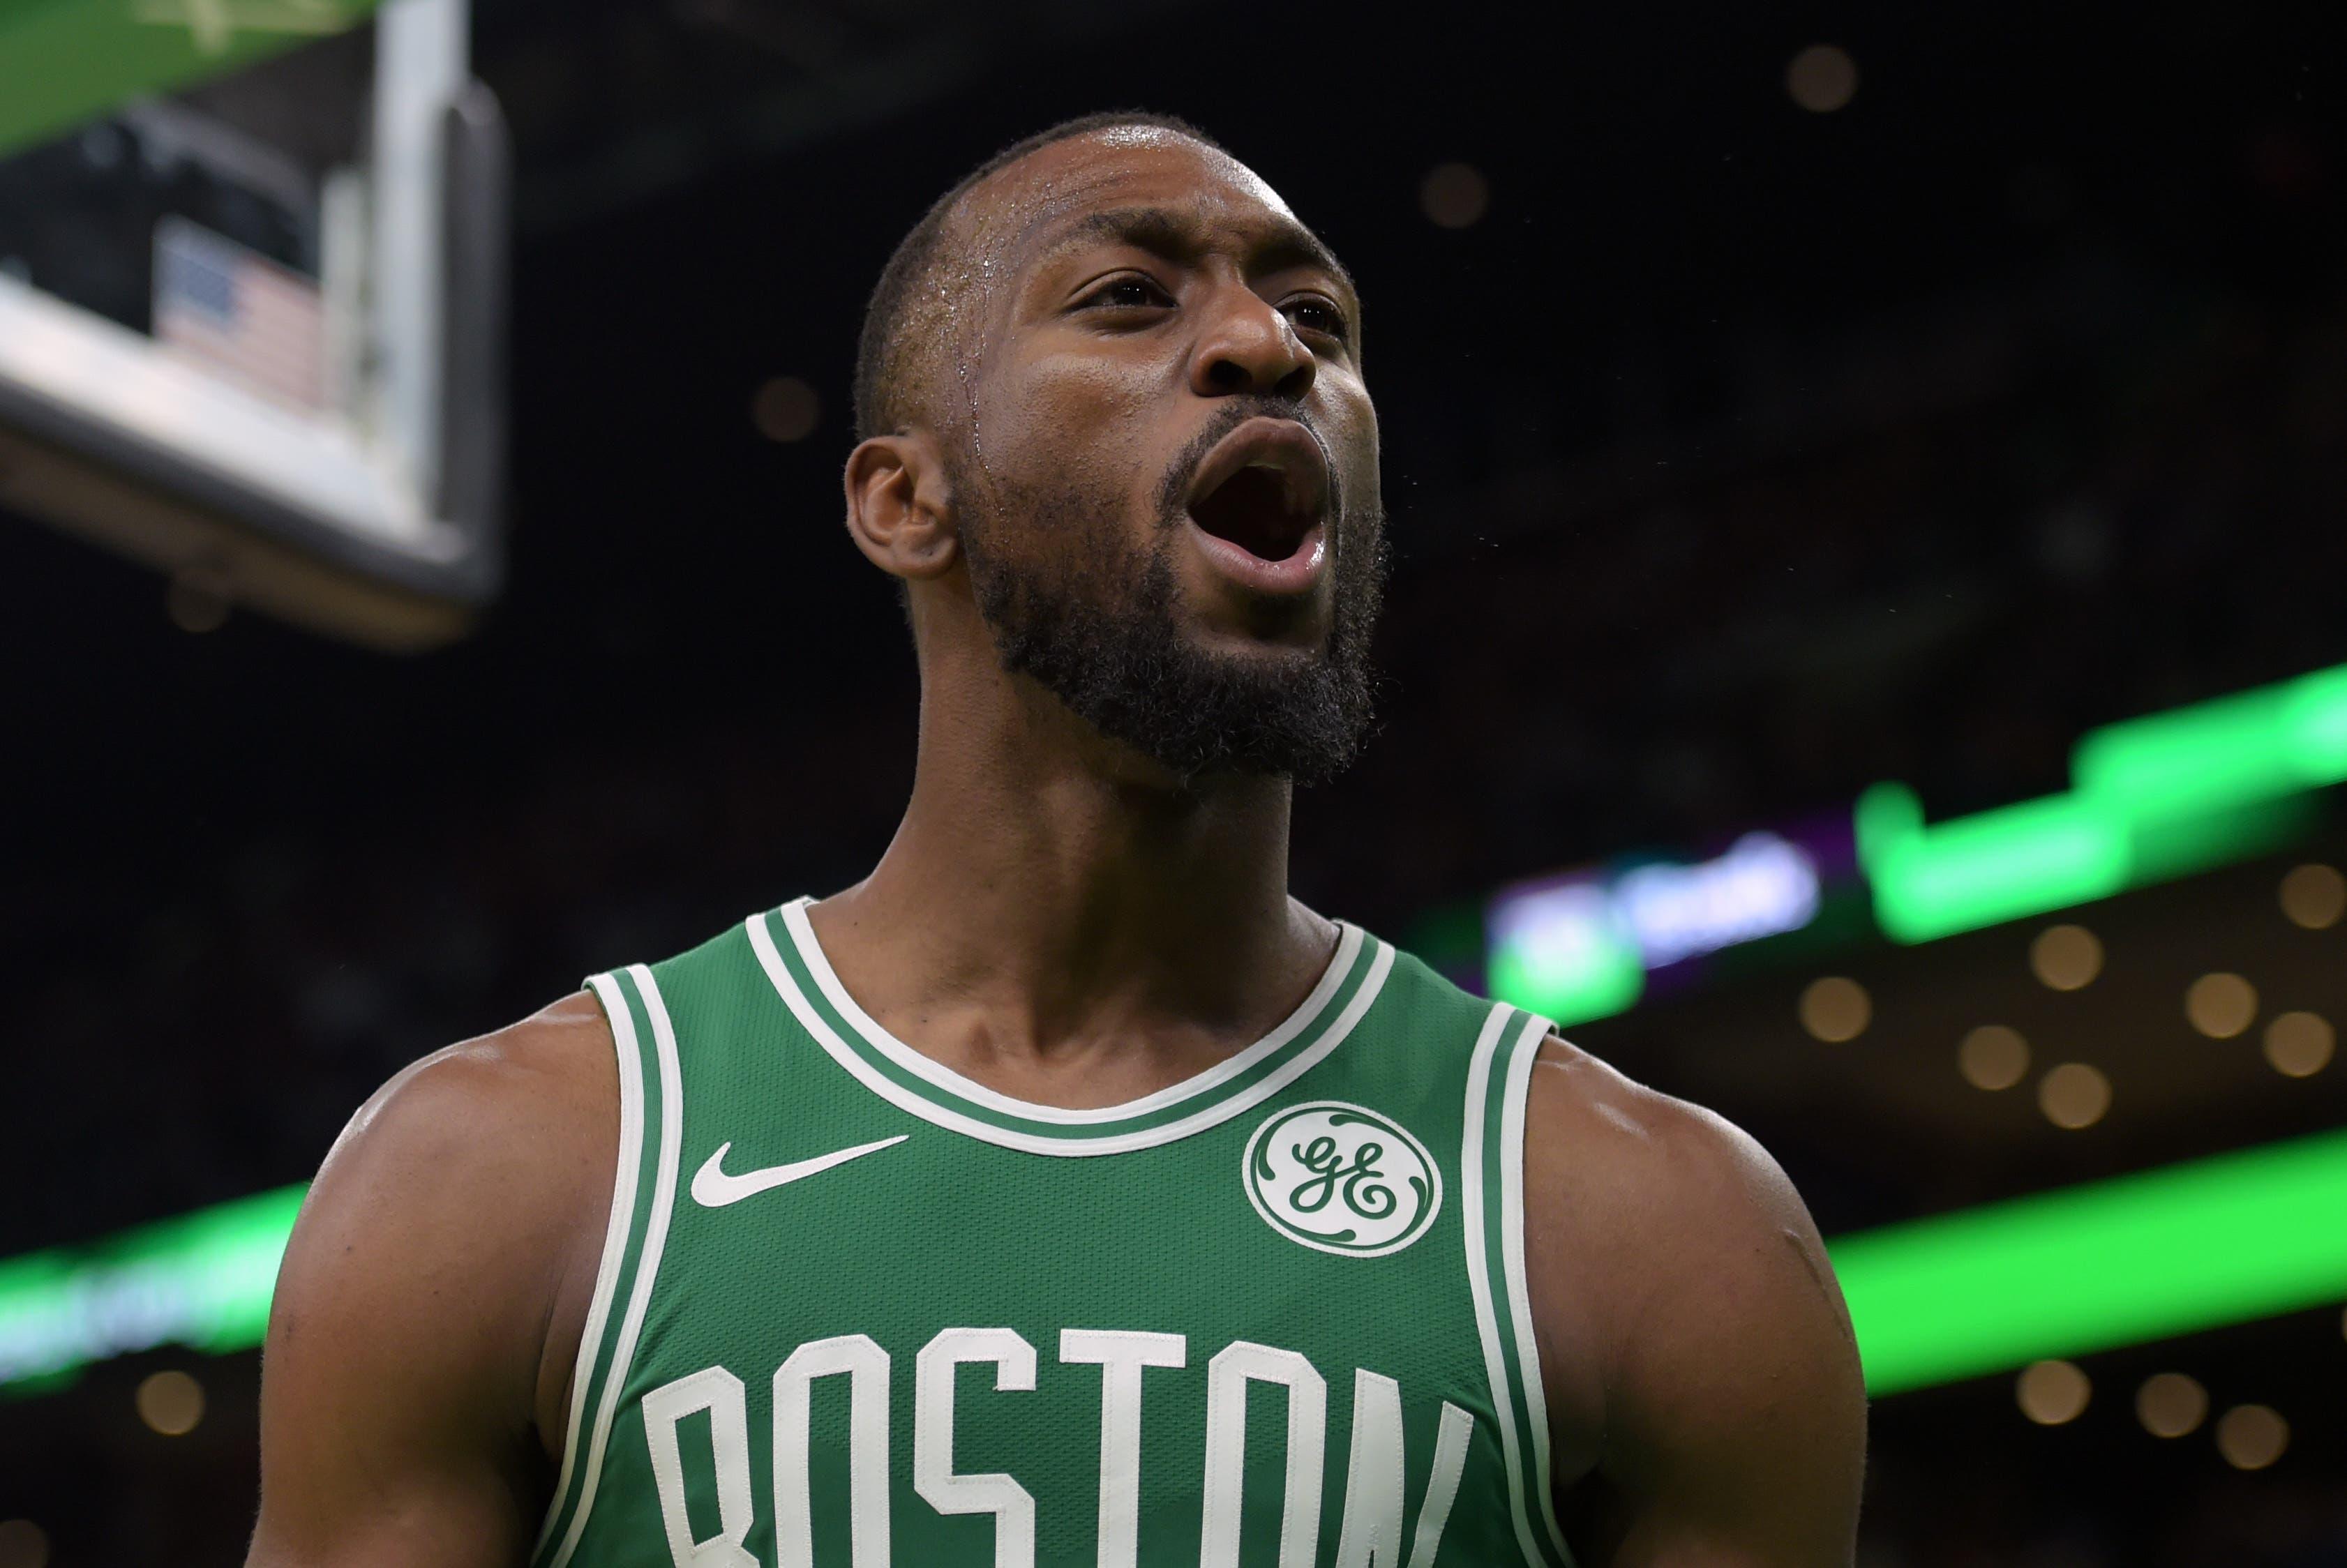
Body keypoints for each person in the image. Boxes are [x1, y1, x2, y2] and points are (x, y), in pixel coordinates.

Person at [246, 111, 1866, 1568]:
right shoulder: (507, 1170)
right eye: (1129, 296)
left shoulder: (1654, 1225)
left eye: (1318, 318)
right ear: (904, 501)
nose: (1263, 344)